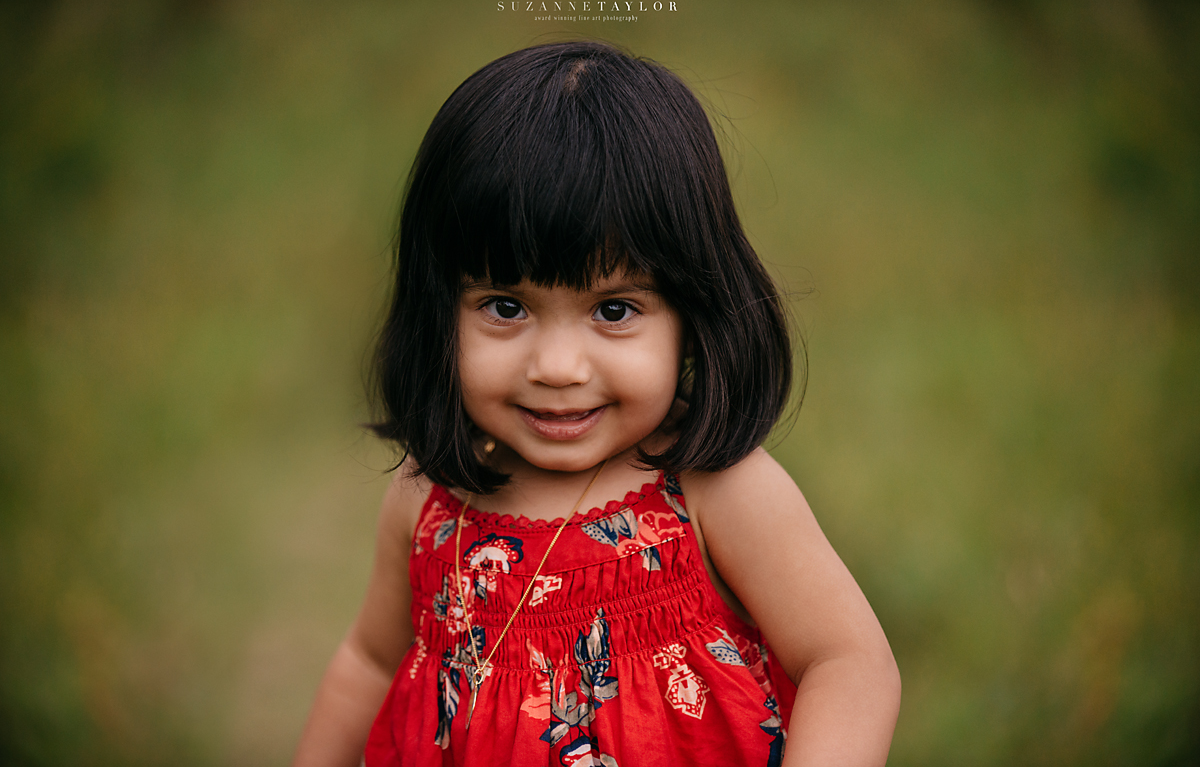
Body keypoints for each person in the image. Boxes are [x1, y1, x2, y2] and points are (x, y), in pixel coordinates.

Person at [292, 40, 900, 767]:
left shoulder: (715, 492)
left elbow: (850, 661)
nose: (555, 367)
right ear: (439, 309)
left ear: (691, 312)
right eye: (505, 305)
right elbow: (370, 658)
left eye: (613, 310)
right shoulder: (430, 495)